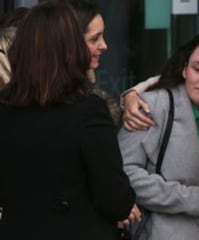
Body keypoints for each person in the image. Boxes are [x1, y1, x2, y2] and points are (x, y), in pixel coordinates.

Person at [0, 2, 135, 240]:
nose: (103, 46)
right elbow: (116, 199)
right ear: (72, 50)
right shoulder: (88, 111)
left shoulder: (6, 109)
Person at [118, 32, 199, 240]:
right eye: (198, 68)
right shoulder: (151, 106)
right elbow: (123, 172)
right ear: (184, 69)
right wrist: (189, 200)